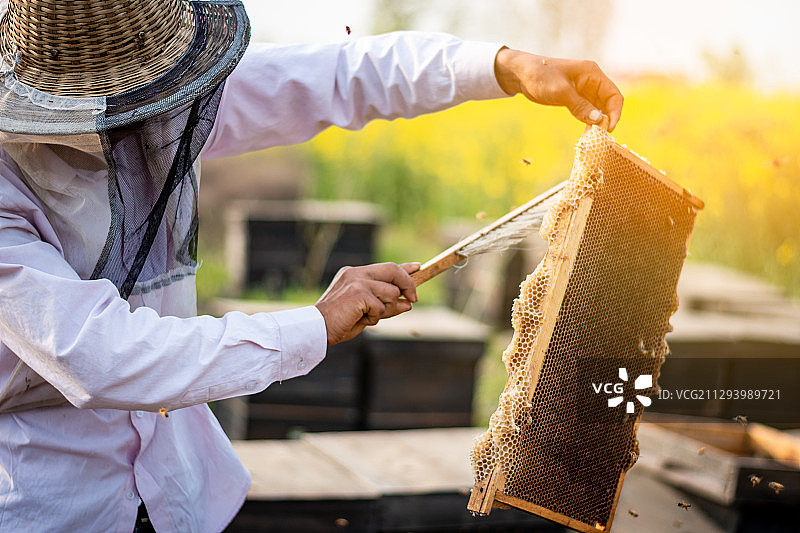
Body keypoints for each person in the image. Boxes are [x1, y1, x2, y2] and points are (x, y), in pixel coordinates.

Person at [0, 1, 622, 531]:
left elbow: (338, 75)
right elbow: (102, 357)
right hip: (54, 502)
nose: (156, 122)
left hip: (175, 492)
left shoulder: (173, 103)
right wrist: (313, 323)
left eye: (161, 95)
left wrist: (505, 66)